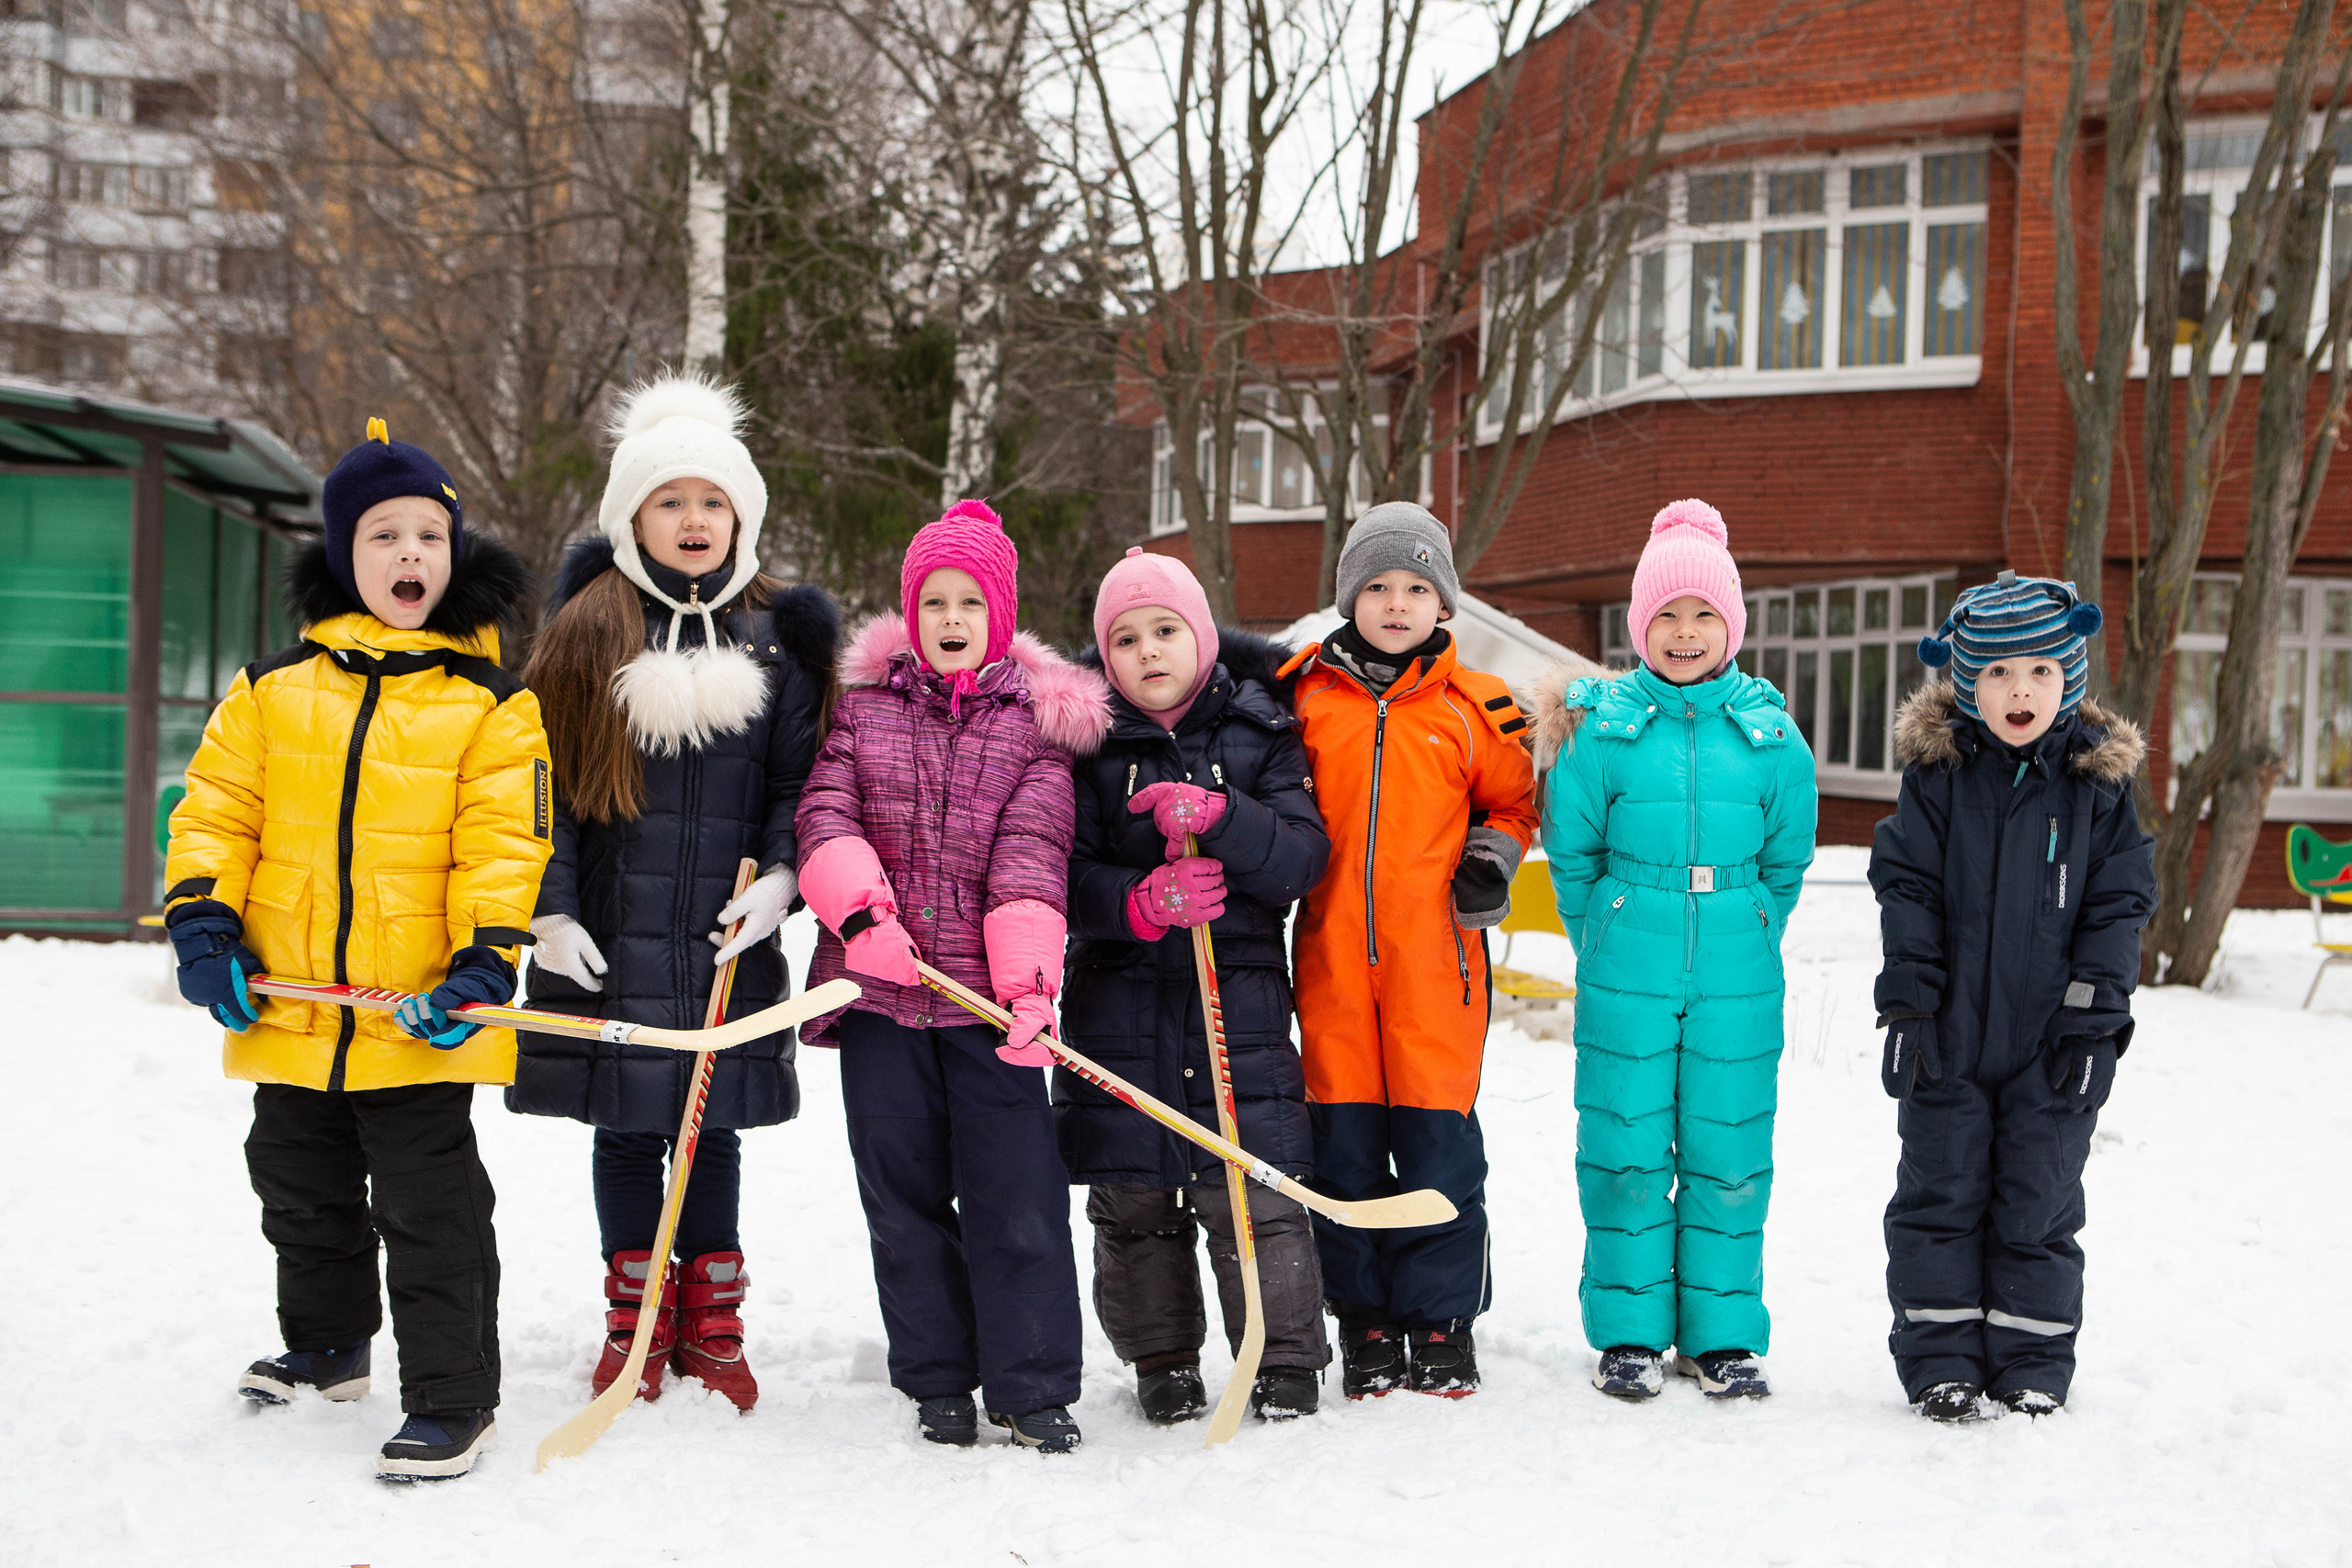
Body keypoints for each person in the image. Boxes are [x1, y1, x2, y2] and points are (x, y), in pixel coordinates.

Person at [162, 420, 550, 1481]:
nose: (410, 554)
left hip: (415, 1011)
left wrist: (481, 965)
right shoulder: (270, 692)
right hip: (288, 1006)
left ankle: (454, 1397)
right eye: (384, 535)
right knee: (296, 1183)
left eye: (431, 533)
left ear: (455, 555)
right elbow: (214, 817)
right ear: (343, 554)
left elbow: (503, 850)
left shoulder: (491, 707)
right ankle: (328, 1347)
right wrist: (203, 923)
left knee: (431, 1211)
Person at [508, 376, 836, 1411]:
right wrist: (547, 909)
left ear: (740, 516)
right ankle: (635, 1311)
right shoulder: (587, 629)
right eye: (669, 502)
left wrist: (785, 878)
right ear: (631, 517)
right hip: (609, 930)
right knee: (628, 1128)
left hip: (725, 932)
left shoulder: (779, 637)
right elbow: (539, 784)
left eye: (712, 501)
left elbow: (801, 780)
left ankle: (712, 1312)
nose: (693, 521)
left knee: (715, 1126)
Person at [795, 500, 1111, 1453]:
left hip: (989, 1015)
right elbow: (823, 817)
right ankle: (935, 1377)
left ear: (1000, 614)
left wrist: (1024, 990)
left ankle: (1032, 1384)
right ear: (911, 611)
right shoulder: (861, 713)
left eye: (969, 599)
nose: (950, 617)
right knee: (903, 1198)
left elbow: (1030, 858)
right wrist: (860, 918)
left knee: (1016, 1196)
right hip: (883, 1003)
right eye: (933, 599)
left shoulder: (1035, 734)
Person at [1534, 498, 1815, 1403]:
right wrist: (1611, 925)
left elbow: (1786, 856)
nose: (1684, 632)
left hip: (1737, 964)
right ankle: (1628, 1331)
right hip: (1629, 965)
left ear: (1730, 626)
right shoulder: (1601, 728)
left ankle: (1722, 1335)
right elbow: (1571, 854)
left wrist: (1751, 921)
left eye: (1703, 615)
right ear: (1638, 625)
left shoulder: (1768, 736)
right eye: (1666, 615)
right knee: (1622, 1149)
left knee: (1729, 1151)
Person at [1056, 547, 1332, 1424]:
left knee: (1256, 1192)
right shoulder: (1086, 744)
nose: (1148, 651)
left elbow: (1299, 857)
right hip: (1118, 1011)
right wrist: (1136, 900)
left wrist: (1225, 818)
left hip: (1239, 1012)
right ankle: (1162, 1357)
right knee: (1136, 1200)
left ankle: (1284, 1357)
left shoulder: (1262, 731)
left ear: (1203, 636)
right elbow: (1060, 871)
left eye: (1166, 630)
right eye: (1126, 638)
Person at [1870, 570, 2154, 1422]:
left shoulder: (2097, 787)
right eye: (1995, 672)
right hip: (1950, 1038)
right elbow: (1909, 886)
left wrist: (2092, 1021)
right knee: (1940, 1197)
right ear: (1967, 684)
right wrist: (1912, 1005)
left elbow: (2119, 901)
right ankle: (1941, 1359)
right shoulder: (1941, 776)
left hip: (2053, 1040)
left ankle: (2032, 1358)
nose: (2018, 689)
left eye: (2037, 669)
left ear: (2068, 676)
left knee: (2037, 1200)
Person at [1280, 502, 1538, 1399]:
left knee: (1438, 1150)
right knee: (1343, 1153)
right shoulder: (1303, 698)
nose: (1396, 603)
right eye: (1378, 586)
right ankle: (1365, 1322)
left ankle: (1440, 1321)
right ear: (1350, 596)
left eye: (1416, 587)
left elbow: (1513, 807)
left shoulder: (1477, 709)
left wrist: (1489, 860)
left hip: (1439, 969)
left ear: (1444, 603)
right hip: (1333, 969)